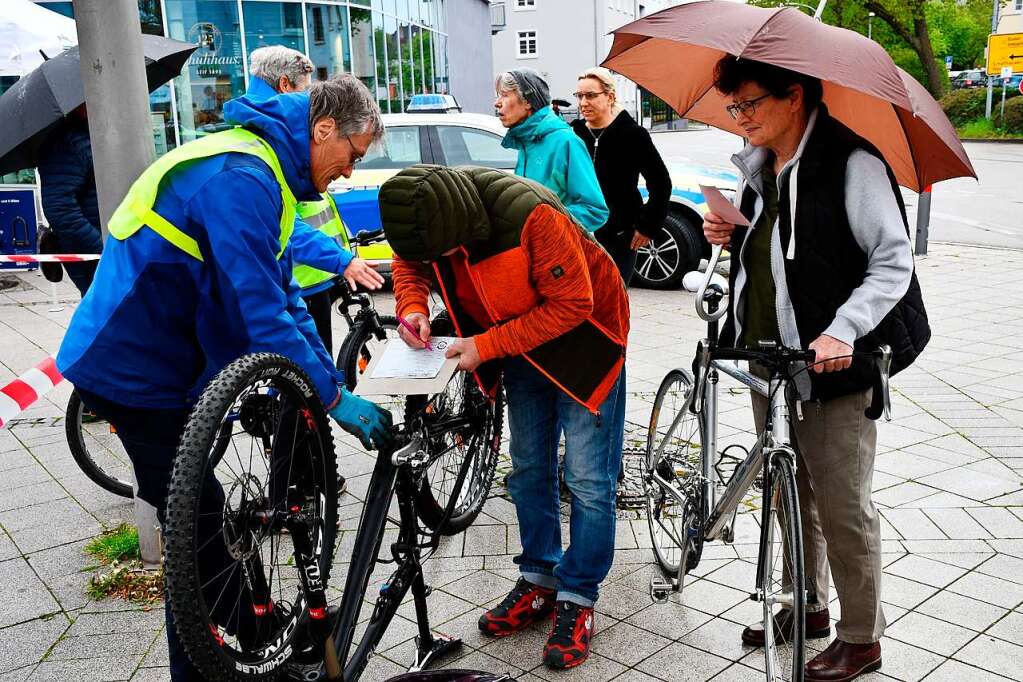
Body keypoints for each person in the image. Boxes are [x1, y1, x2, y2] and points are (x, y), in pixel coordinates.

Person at [56, 74, 393, 682]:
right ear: (323, 132)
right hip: (133, 366)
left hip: (169, 361)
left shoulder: (265, 172)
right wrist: (332, 395)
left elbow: (285, 294)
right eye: (353, 154)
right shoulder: (242, 177)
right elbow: (261, 312)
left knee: (199, 524)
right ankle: (228, 652)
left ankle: (260, 628)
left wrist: (326, 385)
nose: (349, 172)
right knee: (197, 532)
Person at [703, 56, 929, 682]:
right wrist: (730, 232)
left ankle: (862, 638)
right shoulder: (760, 169)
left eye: (748, 105)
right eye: (734, 108)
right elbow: (772, 249)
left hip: (832, 362)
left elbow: (891, 262)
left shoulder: (852, 164)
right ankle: (807, 607)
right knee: (787, 492)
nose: (739, 119)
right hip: (767, 355)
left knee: (841, 504)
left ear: (794, 95)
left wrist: (842, 328)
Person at [380, 165, 629, 670]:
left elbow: (575, 303)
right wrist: (412, 307)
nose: (440, 263)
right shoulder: (427, 214)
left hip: (587, 342)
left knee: (587, 478)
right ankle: (539, 576)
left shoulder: (531, 216)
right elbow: (409, 265)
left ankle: (578, 597)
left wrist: (487, 345)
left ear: (463, 228)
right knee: (529, 469)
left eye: (445, 255)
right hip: (522, 346)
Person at [245, 45, 384, 354]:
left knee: (307, 377)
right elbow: (284, 227)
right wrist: (340, 259)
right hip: (301, 276)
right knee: (298, 381)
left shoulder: (277, 143)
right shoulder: (266, 148)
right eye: (306, 92)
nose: (311, 103)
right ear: (284, 85)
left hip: (308, 275)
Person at [570, 67, 671, 286]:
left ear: (610, 97)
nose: (583, 103)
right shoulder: (573, 135)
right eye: (579, 96)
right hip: (578, 233)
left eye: (590, 95)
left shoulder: (633, 135)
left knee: (612, 303)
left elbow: (661, 182)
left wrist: (647, 226)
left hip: (619, 235)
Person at [494, 68, 608, 231]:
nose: (497, 102)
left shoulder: (566, 142)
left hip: (559, 252)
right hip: (530, 251)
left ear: (528, 102)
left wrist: (544, 223)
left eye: (504, 95)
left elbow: (595, 210)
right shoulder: (526, 140)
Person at [37, 105, 101, 295]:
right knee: (106, 312)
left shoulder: (90, 135)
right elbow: (60, 208)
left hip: (100, 248)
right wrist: (102, 247)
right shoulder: (68, 143)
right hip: (91, 252)